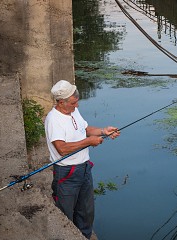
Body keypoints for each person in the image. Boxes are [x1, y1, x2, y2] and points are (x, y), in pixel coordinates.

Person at [44, 80, 120, 239]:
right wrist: (89, 142)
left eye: (76, 101)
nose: (77, 105)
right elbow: (62, 149)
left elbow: (85, 130)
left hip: (84, 169)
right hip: (66, 174)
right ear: (61, 102)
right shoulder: (53, 120)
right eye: (73, 103)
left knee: (86, 211)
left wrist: (102, 131)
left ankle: (84, 236)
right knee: (65, 214)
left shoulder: (73, 111)